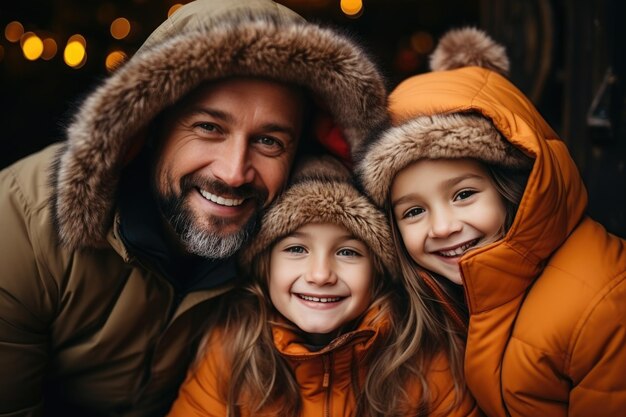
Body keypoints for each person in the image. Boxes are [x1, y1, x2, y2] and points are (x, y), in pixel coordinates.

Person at [0, 0, 389, 415]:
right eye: (208, 128)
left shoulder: (295, 254)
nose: (234, 172)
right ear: (149, 124)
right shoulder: (24, 220)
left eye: (269, 141)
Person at [357, 27, 626, 417]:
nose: (443, 226)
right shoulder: (447, 300)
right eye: (413, 211)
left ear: (511, 191)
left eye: (463, 194)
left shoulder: (604, 303)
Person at [166, 156, 482, 417]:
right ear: (265, 265)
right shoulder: (231, 350)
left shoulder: (425, 358)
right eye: (296, 249)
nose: (320, 275)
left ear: (378, 272)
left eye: (347, 252)